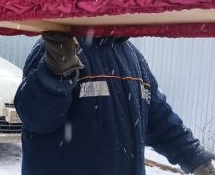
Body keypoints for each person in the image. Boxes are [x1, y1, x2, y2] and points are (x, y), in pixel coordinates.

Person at [14, 32, 215, 175]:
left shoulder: (133, 57)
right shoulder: (58, 47)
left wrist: (195, 158)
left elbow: (159, 119)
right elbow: (35, 118)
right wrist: (55, 75)